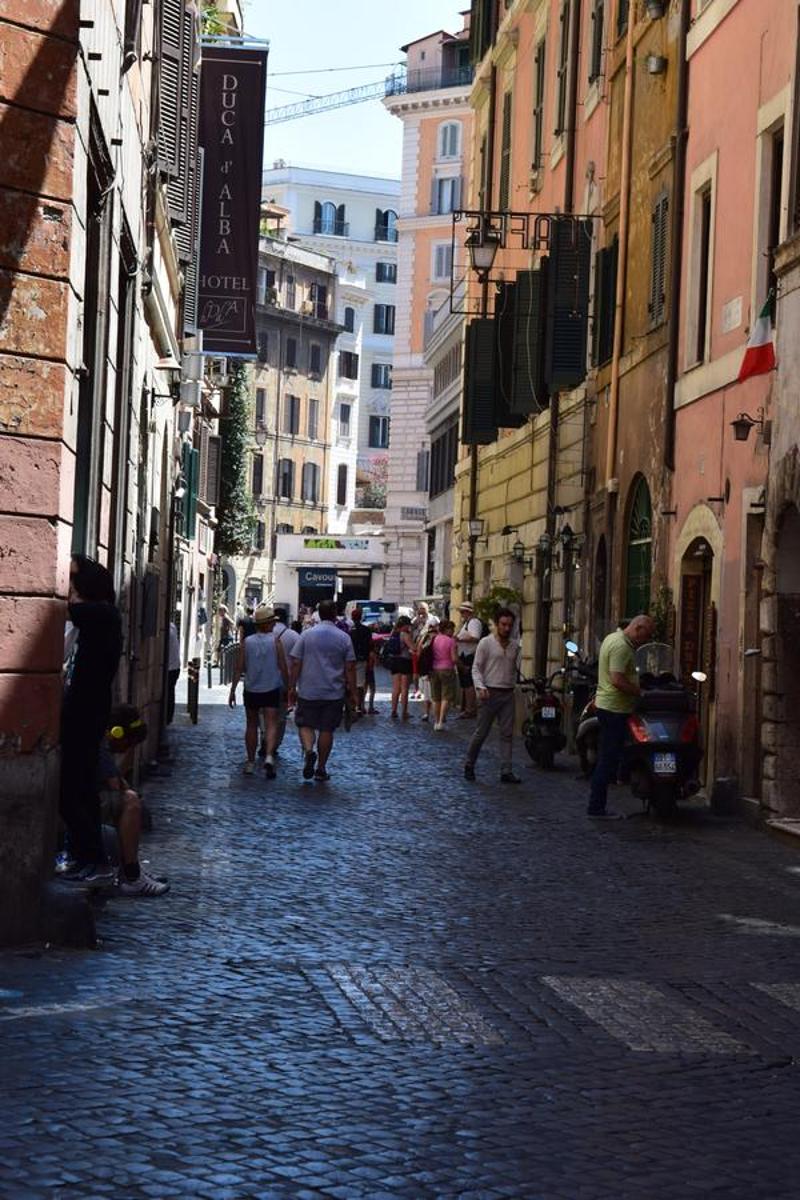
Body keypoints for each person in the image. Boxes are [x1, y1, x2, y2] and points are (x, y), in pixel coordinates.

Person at [59, 555, 123, 887]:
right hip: (85, 712)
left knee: (72, 791)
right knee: (81, 790)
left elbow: (61, 606)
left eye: (72, 579)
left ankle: (93, 858)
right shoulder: (104, 616)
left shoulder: (103, 614)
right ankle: (87, 858)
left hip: (85, 714)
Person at [588, 613, 656, 818]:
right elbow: (617, 679)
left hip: (609, 706)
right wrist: (640, 692)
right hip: (615, 709)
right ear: (637, 628)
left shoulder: (612, 638)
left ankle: (609, 793)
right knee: (607, 759)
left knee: (612, 756)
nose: (644, 641)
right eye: (645, 636)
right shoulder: (622, 647)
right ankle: (596, 808)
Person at [97, 706, 169, 896]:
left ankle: (132, 867)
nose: (128, 750)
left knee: (130, 797)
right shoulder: (101, 746)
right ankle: (132, 875)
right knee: (131, 802)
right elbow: (117, 784)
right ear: (117, 733)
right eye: (129, 745)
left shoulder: (103, 743)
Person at [288, 599, 357, 782]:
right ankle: (321, 768)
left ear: (319, 613)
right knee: (327, 729)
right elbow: (350, 667)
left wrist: (291, 686)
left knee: (305, 724)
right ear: (335, 614)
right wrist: (354, 693)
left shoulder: (306, 635)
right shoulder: (344, 637)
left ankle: (310, 750)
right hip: (333, 691)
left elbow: (296, 662)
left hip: (308, 689)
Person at [228, 605, 289, 778]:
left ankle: (250, 761)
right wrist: (289, 686)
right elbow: (283, 666)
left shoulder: (247, 642)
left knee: (251, 725)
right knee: (271, 723)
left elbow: (239, 667)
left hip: (251, 688)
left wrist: (232, 690)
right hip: (271, 687)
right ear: (268, 623)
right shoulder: (276, 641)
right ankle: (269, 756)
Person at [464, 608, 522, 784]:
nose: (506, 628)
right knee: (481, 733)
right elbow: (476, 668)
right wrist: (480, 687)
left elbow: (515, 670)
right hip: (489, 693)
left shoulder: (514, 646)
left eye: (509, 626)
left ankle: (506, 770)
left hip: (507, 693)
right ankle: (469, 764)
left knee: (506, 734)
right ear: (497, 625)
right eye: (503, 625)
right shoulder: (486, 643)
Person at [455, 601, 484, 718]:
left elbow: (475, 637)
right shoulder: (467, 623)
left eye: (463, 611)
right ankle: (468, 708)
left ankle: (470, 709)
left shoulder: (474, 622)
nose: (461, 614)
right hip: (465, 655)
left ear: (468, 612)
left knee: (468, 683)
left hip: (469, 656)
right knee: (466, 683)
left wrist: (459, 639)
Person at [429, 619, 459, 731]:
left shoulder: (434, 638)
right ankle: (441, 721)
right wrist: (461, 666)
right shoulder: (451, 641)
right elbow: (454, 658)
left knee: (436, 697)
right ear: (447, 629)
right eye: (452, 629)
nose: (453, 632)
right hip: (447, 669)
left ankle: (436, 721)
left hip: (434, 669)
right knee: (446, 696)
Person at [387, 614, 415, 720]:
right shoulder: (404, 634)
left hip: (394, 661)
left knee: (395, 688)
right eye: (408, 625)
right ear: (405, 625)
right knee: (404, 688)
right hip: (404, 661)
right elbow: (413, 647)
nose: (409, 627)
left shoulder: (393, 633)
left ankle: (393, 710)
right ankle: (404, 712)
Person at [349, 606, 374, 716]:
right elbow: (370, 646)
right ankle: (360, 705)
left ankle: (351, 705)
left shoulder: (349, 631)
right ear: (361, 617)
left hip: (350, 659)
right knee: (360, 684)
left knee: (350, 683)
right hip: (362, 659)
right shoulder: (366, 630)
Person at [166, 621, 181, 725]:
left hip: (171, 667)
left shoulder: (166, 629)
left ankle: (167, 717)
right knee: (170, 692)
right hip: (175, 666)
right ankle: (168, 717)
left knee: (168, 692)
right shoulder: (172, 626)